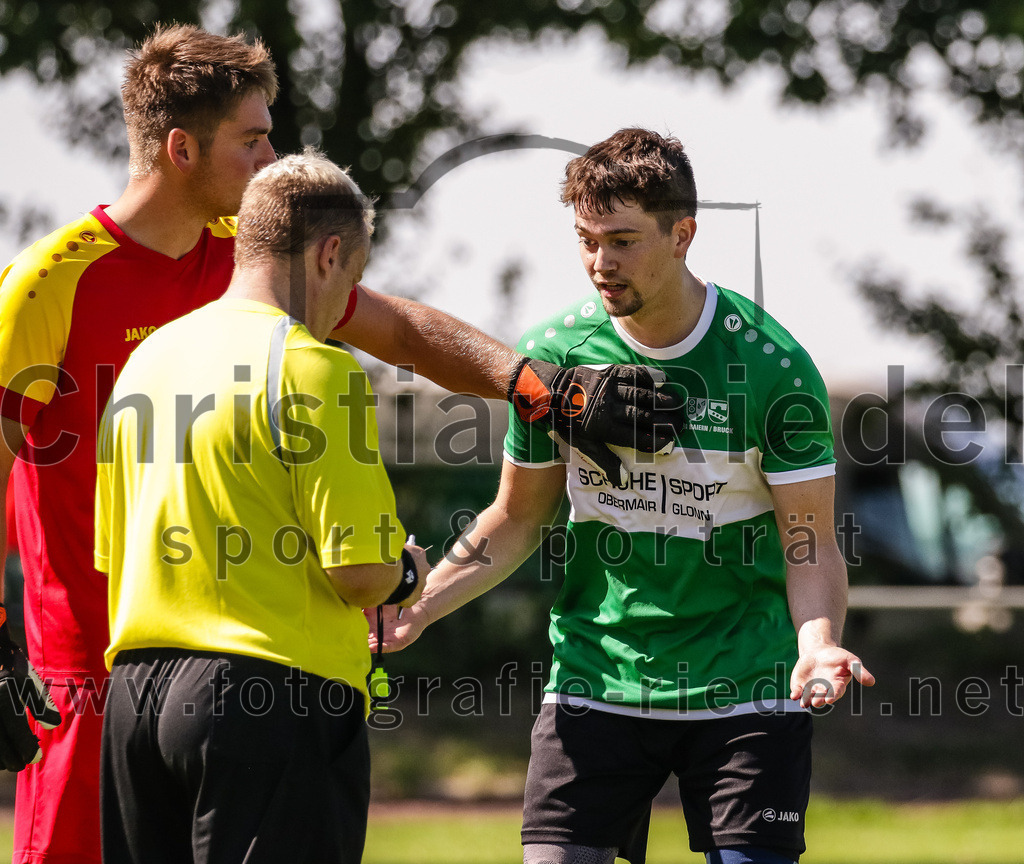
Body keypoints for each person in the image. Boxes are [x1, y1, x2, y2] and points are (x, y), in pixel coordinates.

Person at [0, 25, 678, 864]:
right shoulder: (52, 281)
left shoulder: (246, 259)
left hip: (185, 679)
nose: (270, 156)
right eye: (253, 139)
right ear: (181, 149)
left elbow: (403, 331)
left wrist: (542, 389)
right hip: (81, 675)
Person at [376, 128, 875, 864]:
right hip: (596, 679)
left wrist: (818, 643)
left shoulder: (771, 366)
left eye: (622, 241)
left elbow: (810, 542)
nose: (600, 263)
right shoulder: (556, 357)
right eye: (586, 240)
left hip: (745, 687)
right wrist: (419, 606)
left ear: (682, 235)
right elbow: (516, 517)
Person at [95, 148, 423, 863]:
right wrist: (406, 574)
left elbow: (112, 552)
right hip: (268, 694)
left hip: (132, 700)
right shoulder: (316, 366)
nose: (343, 304)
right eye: (353, 278)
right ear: (330, 254)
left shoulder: (146, 360)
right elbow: (358, 572)